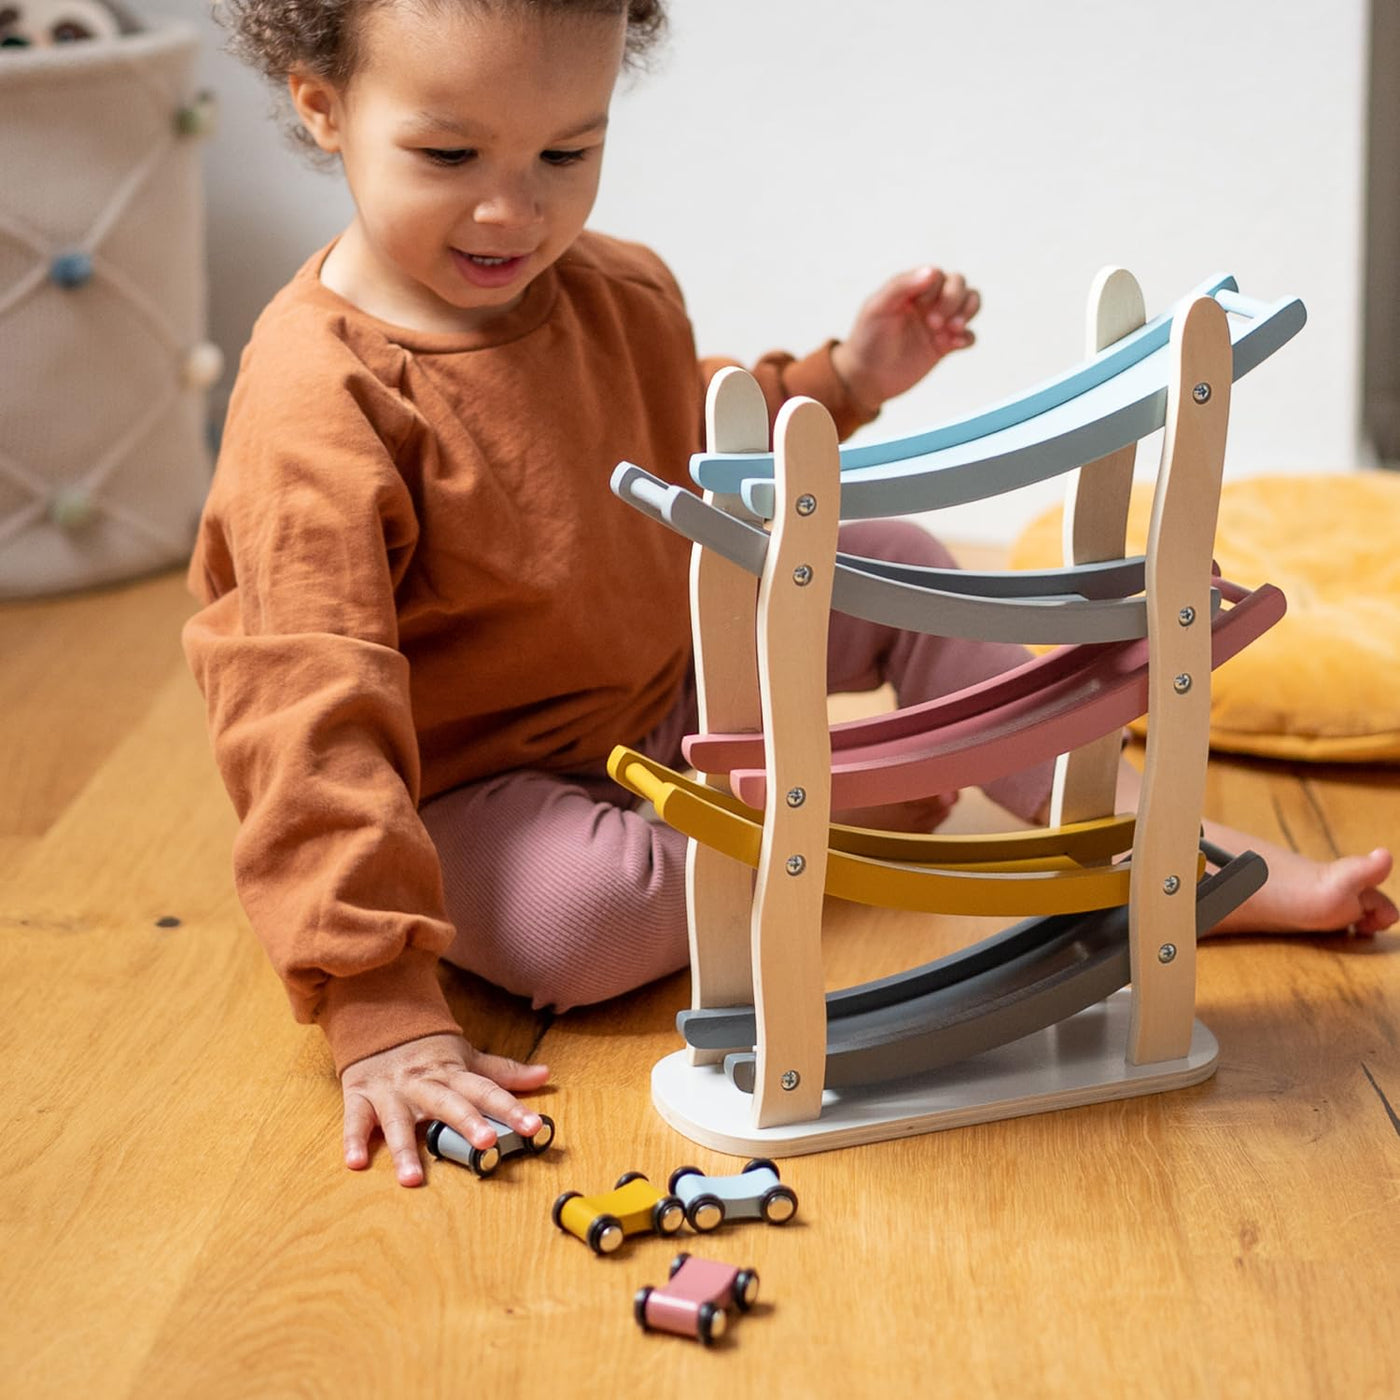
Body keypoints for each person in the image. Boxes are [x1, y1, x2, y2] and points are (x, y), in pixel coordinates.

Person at [186, 0, 1396, 1188]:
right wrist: (380, 1003)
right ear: (324, 106)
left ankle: (1148, 840)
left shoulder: (618, 289)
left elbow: (697, 433)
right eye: (447, 155)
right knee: (587, 922)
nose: (515, 206)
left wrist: (845, 378)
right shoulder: (316, 401)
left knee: (900, 558)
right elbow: (306, 713)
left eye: (569, 150)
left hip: (661, 692)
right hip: (476, 790)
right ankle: (848, 812)